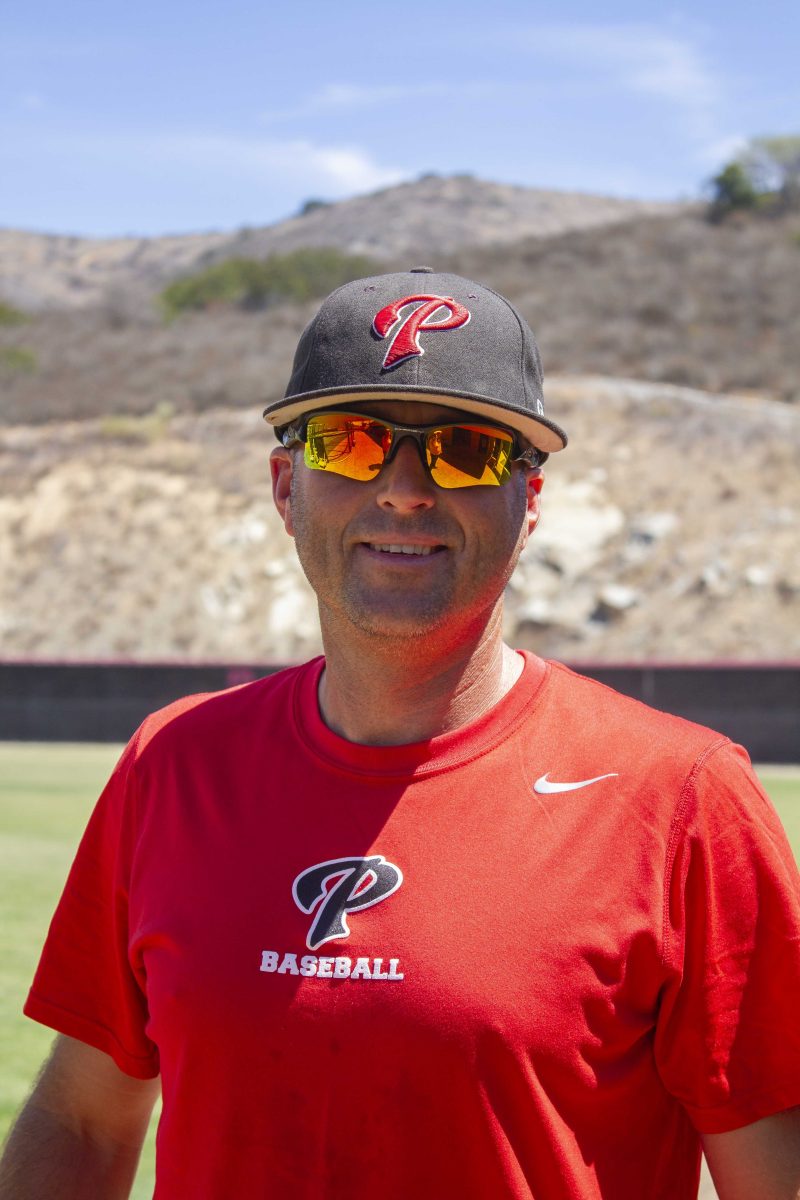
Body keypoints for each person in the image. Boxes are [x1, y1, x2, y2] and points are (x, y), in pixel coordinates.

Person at [1, 268, 799, 1200]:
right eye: (352, 442)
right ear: (285, 485)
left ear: (530, 501)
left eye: (465, 449)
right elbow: (83, 1118)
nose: (406, 488)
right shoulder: (173, 764)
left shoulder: (684, 799)